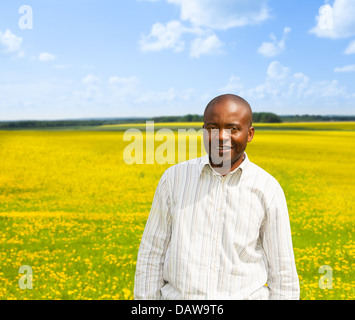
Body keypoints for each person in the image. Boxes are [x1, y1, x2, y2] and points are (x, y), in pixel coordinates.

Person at [134, 94, 300, 300]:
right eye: (212, 128)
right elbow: (151, 254)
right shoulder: (173, 180)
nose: (221, 137)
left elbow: (283, 273)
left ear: (249, 134)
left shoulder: (267, 189)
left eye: (233, 128)